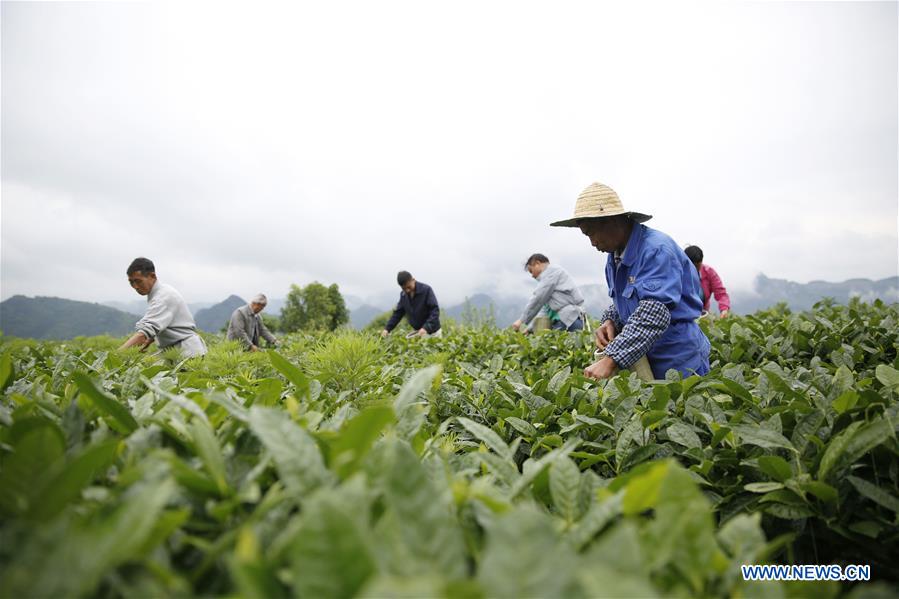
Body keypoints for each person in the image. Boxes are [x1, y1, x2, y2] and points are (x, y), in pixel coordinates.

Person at [551, 182, 710, 380]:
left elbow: (654, 312)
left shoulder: (655, 250)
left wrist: (611, 360)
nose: (592, 242)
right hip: (644, 358)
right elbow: (627, 301)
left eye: (591, 233)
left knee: (683, 407)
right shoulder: (614, 257)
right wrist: (610, 320)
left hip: (678, 358)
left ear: (611, 221)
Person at [119, 257, 208, 358]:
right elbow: (162, 325)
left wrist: (115, 356)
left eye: (138, 281)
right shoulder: (157, 294)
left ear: (152, 276)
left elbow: (145, 331)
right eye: (131, 282)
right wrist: (150, 339)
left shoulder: (163, 296)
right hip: (175, 351)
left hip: (187, 353)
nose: (135, 286)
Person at [511, 254, 585, 332]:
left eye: (531, 271)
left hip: (569, 319)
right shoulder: (550, 282)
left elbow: (538, 298)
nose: (532, 275)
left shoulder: (552, 272)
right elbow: (545, 309)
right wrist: (529, 329)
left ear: (537, 263)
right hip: (565, 320)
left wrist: (521, 321)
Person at [381, 271, 442, 338]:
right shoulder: (403, 295)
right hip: (418, 332)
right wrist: (387, 329)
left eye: (409, 287)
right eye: (404, 288)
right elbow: (398, 314)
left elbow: (435, 311)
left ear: (413, 280)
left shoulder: (426, 290)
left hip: (433, 332)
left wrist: (426, 327)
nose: (407, 290)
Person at [684, 245, 730, 317]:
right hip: (683, 314)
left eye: (697, 266)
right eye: (692, 266)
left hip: (702, 314)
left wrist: (724, 309)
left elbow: (721, 293)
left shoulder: (709, 272)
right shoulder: (679, 273)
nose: (695, 269)